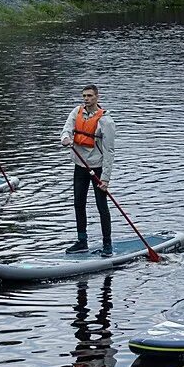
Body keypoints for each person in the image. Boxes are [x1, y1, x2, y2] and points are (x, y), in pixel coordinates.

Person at [60, 85, 116, 255]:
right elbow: (66, 129)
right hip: (80, 165)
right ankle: (82, 241)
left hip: (97, 168)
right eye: (84, 96)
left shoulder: (106, 121)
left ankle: (107, 244)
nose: (86, 99)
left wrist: (105, 179)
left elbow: (109, 151)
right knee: (78, 203)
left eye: (90, 96)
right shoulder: (76, 112)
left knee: (101, 207)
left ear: (97, 97)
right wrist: (65, 138)